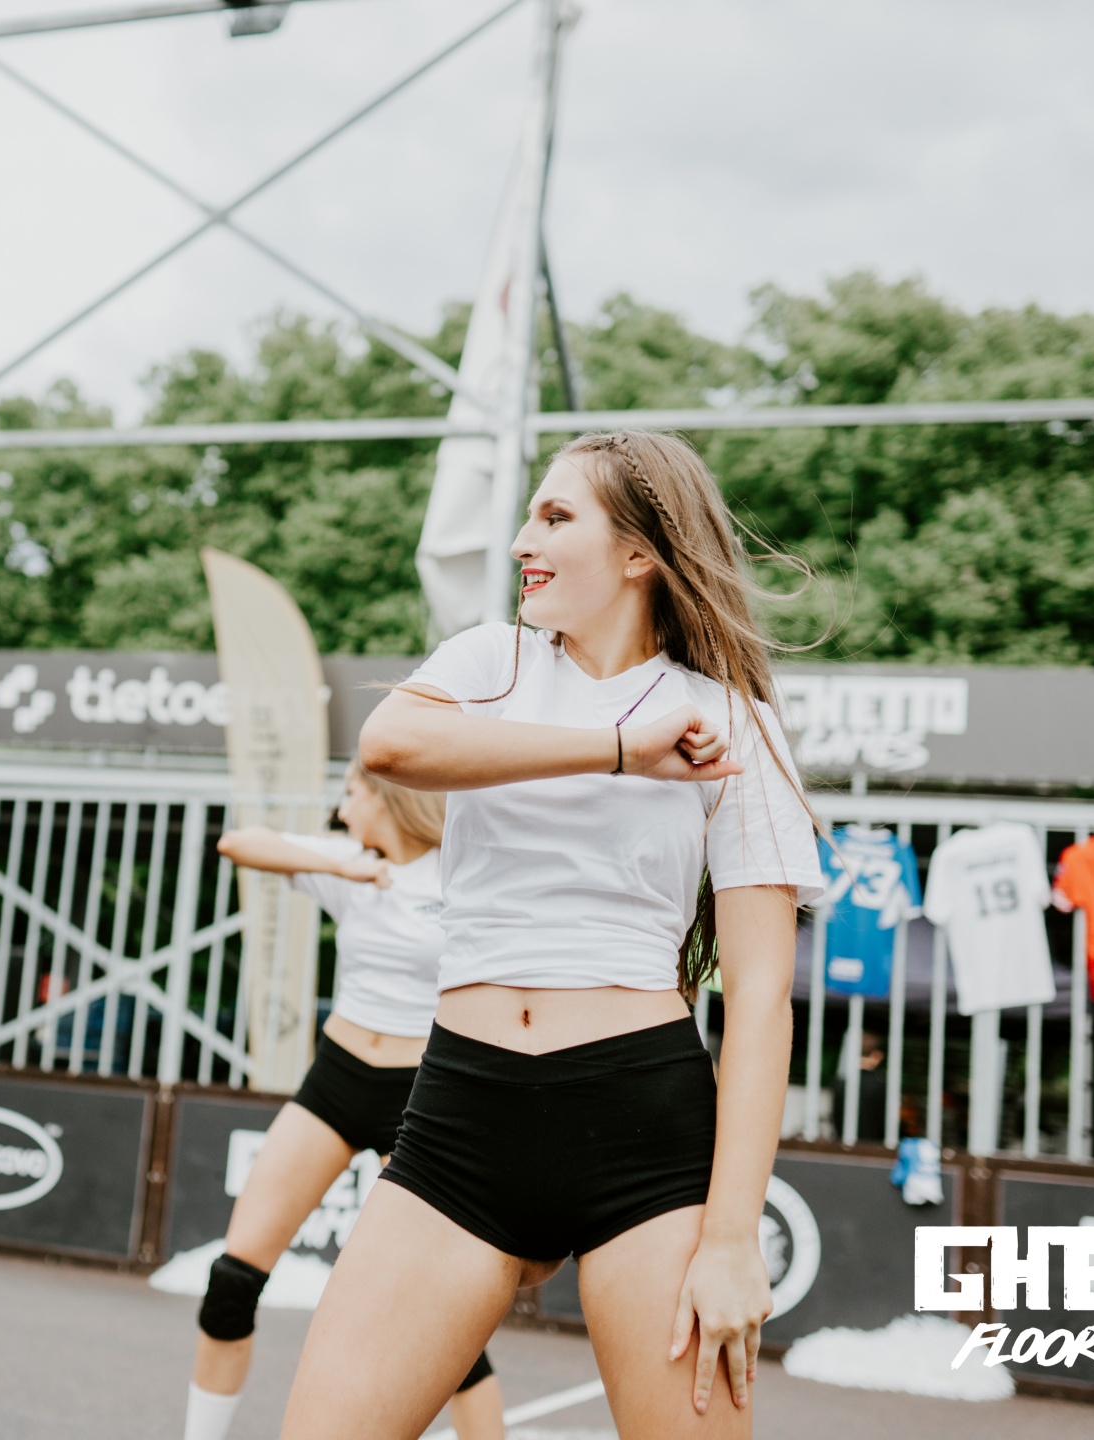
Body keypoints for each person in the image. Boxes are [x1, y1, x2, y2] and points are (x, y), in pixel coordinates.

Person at [288, 430, 821, 1440]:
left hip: (642, 1130)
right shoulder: (488, 662)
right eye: (531, 515)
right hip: (462, 1117)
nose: (523, 541)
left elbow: (760, 999)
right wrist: (619, 749)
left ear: (640, 552)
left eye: (556, 516)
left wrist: (731, 1237)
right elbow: (389, 744)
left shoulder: (732, 721)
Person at [186, 765, 503, 1440]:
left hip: (418, 1099)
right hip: (334, 1082)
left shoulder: (458, 872)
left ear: (388, 798)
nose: (340, 809)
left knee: (444, 1322)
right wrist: (343, 868)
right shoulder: (347, 861)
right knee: (231, 1282)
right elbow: (238, 843)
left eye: (351, 794)